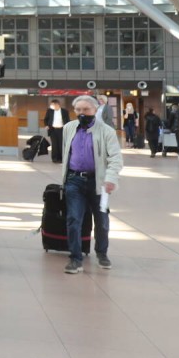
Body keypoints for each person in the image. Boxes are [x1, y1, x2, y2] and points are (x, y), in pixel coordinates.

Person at [59, 95, 122, 274]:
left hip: (99, 182)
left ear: (95, 110)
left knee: (101, 221)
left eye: (85, 110)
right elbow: (66, 153)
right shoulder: (68, 128)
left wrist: (110, 178)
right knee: (73, 219)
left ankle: (102, 253)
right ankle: (75, 258)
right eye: (78, 110)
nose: (81, 113)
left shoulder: (107, 131)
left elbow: (115, 158)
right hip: (74, 181)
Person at [46, 99, 68, 163]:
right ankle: (54, 158)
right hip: (53, 129)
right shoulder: (50, 111)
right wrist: (47, 125)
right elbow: (46, 119)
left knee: (61, 144)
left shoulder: (64, 111)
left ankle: (61, 158)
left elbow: (67, 120)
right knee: (54, 144)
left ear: (57, 104)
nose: (51, 106)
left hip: (61, 129)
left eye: (52, 105)